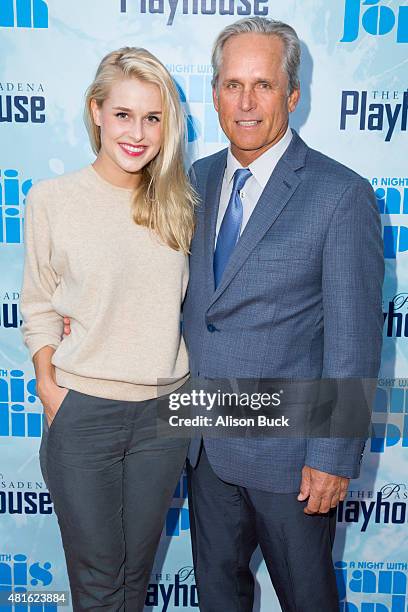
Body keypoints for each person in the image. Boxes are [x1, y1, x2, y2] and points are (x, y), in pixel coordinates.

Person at [181, 17, 384, 612]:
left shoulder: (340, 194)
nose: (245, 102)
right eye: (232, 84)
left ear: (293, 95)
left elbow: (353, 340)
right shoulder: (198, 179)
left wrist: (331, 456)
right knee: (219, 599)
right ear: (215, 93)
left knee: (308, 600)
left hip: (292, 459)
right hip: (205, 445)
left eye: (264, 85)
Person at [20, 47, 195, 611]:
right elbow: (39, 302)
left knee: (133, 580)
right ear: (96, 111)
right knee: (98, 586)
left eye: (152, 117)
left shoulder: (181, 202)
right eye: (123, 114)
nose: (138, 133)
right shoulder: (52, 199)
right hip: (84, 412)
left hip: (162, 417)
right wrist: (49, 384)